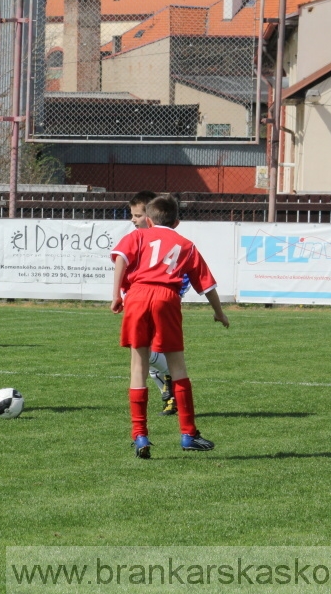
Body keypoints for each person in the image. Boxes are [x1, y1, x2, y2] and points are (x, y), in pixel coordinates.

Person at [110, 194, 229, 459]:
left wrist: (117, 294)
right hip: (167, 297)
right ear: (177, 221)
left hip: (137, 296)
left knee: (138, 367)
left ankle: (140, 435)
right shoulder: (185, 244)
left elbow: (120, 258)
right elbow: (207, 284)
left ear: (149, 220)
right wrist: (219, 313)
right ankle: (188, 434)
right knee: (177, 367)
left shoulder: (138, 236)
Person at [126, 190, 190, 416]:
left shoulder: (168, 242)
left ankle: (171, 384)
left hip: (160, 302)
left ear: (150, 217)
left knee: (147, 355)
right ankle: (169, 392)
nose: (133, 220)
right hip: (140, 301)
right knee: (148, 355)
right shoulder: (137, 240)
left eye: (137, 215)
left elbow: (184, 273)